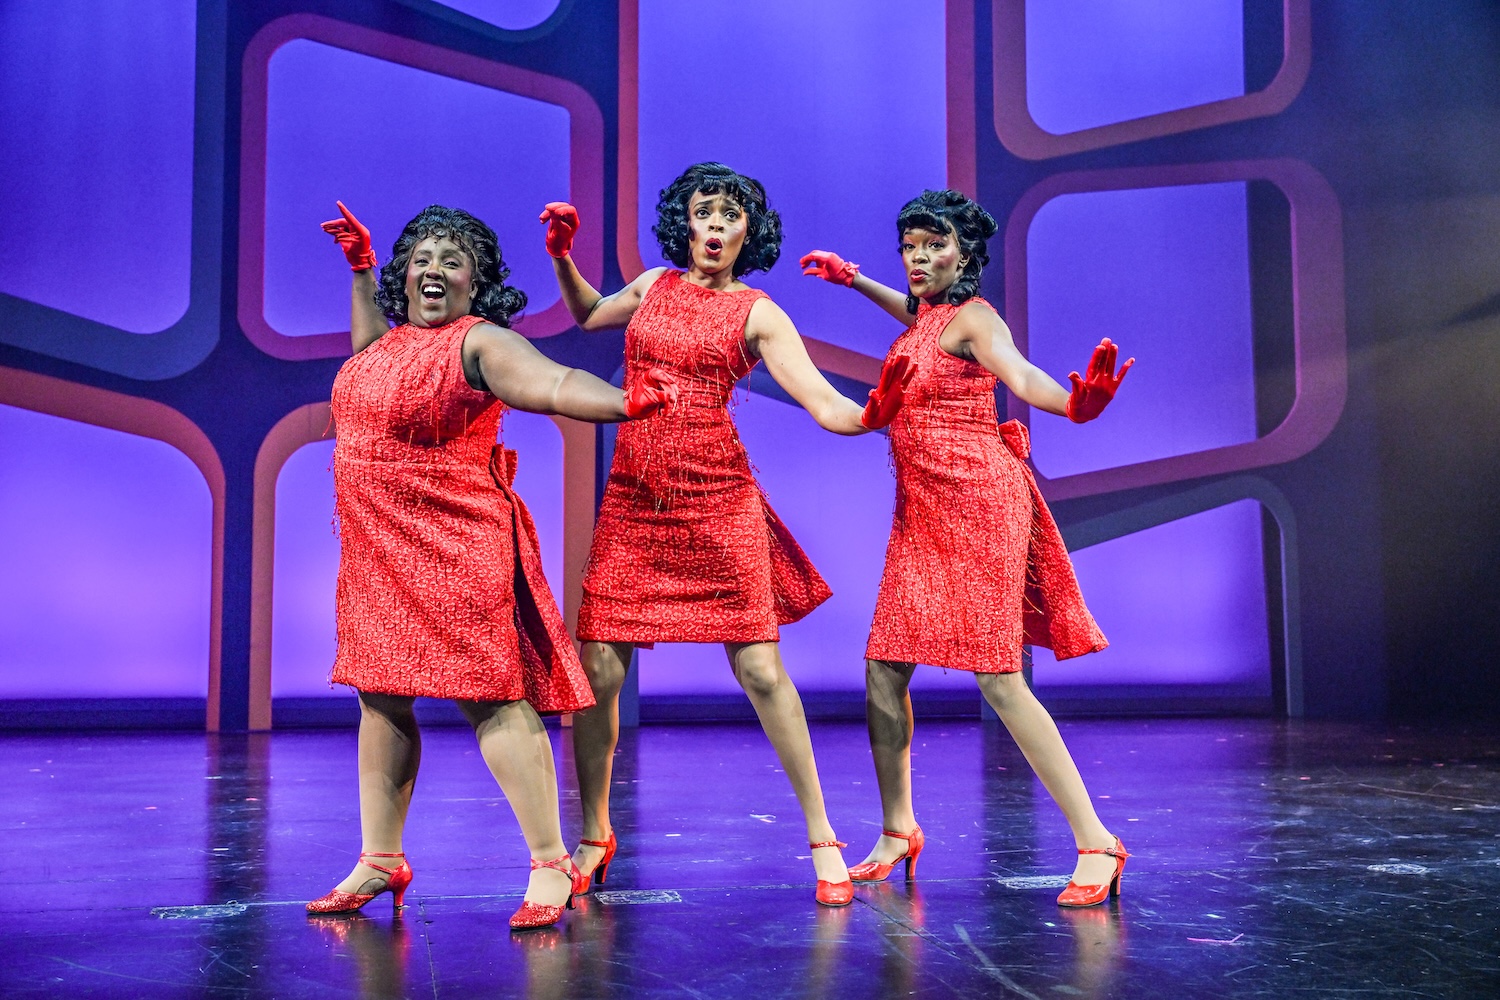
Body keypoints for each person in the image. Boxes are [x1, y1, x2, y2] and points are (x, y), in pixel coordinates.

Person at [539, 163, 913, 906]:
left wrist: (872, 413)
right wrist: (561, 257)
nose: (713, 226)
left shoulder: (759, 313)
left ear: (749, 230)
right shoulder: (654, 286)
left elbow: (822, 402)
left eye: (729, 215)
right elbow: (588, 315)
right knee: (601, 672)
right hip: (636, 498)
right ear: (686, 223)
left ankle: (822, 837)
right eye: (703, 213)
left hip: (718, 499)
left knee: (762, 672)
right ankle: (593, 833)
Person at [307, 202, 675, 930]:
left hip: (453, 543)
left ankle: (550, 862)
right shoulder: (388, 344)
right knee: (379, 694)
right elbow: (372, 363)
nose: (434, 270)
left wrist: (622, 402)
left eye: (453, 260)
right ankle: (381, 858)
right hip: (376, 546)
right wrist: (359, 271)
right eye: (422, 257)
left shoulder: (482, 342)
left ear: (478, 285)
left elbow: (554, 383)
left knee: (491, 698)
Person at [800, 189, 1133, 907]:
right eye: (909, 246)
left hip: (981, 505)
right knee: (884, 669)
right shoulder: (932, 314)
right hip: (921, 515)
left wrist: (1075, 406)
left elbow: (1020, 373)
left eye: (933, 246)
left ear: (967, 254)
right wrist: (855, 280)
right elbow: (918, 321)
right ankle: (897, 831)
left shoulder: (977, 319)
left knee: (999, 679)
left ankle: (1098, 841)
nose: (918, 259)